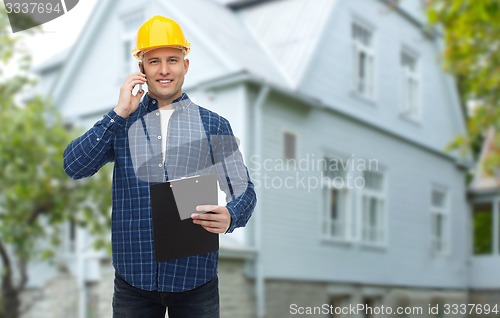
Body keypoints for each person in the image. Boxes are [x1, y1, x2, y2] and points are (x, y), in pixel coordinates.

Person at [63, 15, 256, 318]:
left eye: (172, 60)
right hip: (133, 281)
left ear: (185, 65)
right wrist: (119, 112)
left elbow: (245, 191)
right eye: (153, 61)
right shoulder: (121, 125)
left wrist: (232, 215)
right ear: (141, 68)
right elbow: (74, 166)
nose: (164, 70)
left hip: (196, 279)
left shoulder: (214, 124)